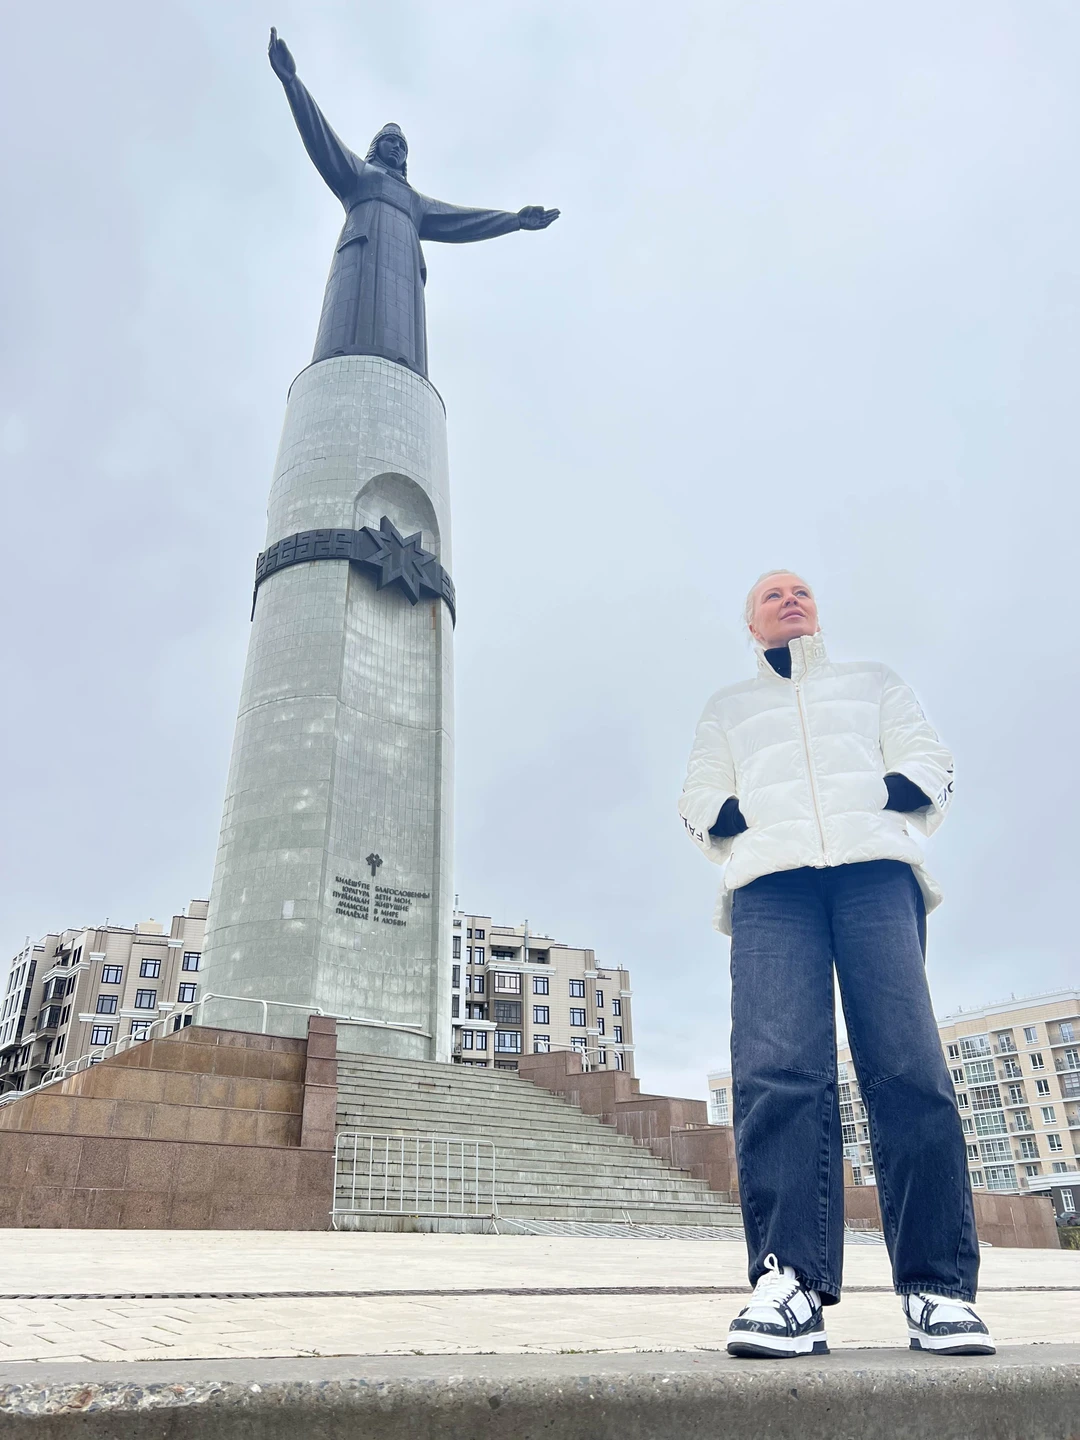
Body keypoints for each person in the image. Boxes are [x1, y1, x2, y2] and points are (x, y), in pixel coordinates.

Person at [679, 571, 994, 1358]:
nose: (790, 599)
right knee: (777, 1071)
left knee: (907, 1067)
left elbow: (929, 757)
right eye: (771, 594)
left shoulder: (874, 683)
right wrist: (732, 824)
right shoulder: (727, 707)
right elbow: (698, 790)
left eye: (801, 591)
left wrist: (886, 803)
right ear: (750, 624)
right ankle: (788, 1283)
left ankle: (937, 1288)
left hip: (874, 875)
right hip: (771, 885)